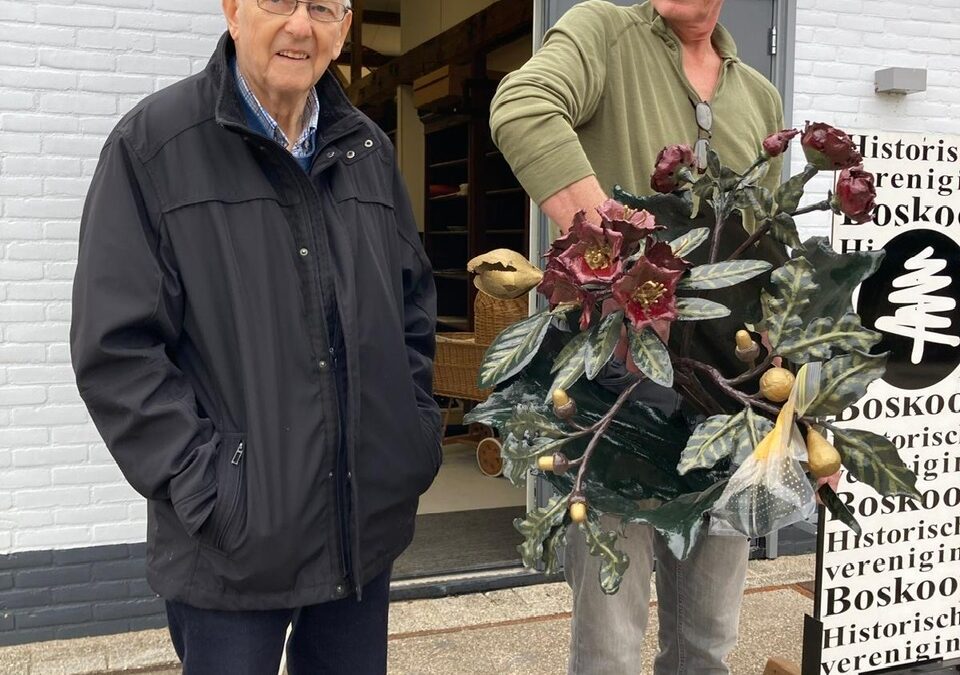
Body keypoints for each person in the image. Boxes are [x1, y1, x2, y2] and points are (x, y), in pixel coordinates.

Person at [70, 0, 441, 672]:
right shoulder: (152, 148)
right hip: (231, 548)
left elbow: (411, 304)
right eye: (279, 2)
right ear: (234, 10)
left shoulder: (366, 151)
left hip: (361, 526)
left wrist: (409, 434)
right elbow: (116, 349)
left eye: (323, 6)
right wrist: (210, 488)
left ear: (345, 26)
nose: (300, 25)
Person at [490, 1, 785, 673]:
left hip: (726, 403)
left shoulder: (759, 97)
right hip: (613, 391)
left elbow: (769, 238)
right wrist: (611, 245)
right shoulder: (602, 32)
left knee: (708, 639)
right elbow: (523, 106)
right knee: (609, 647)